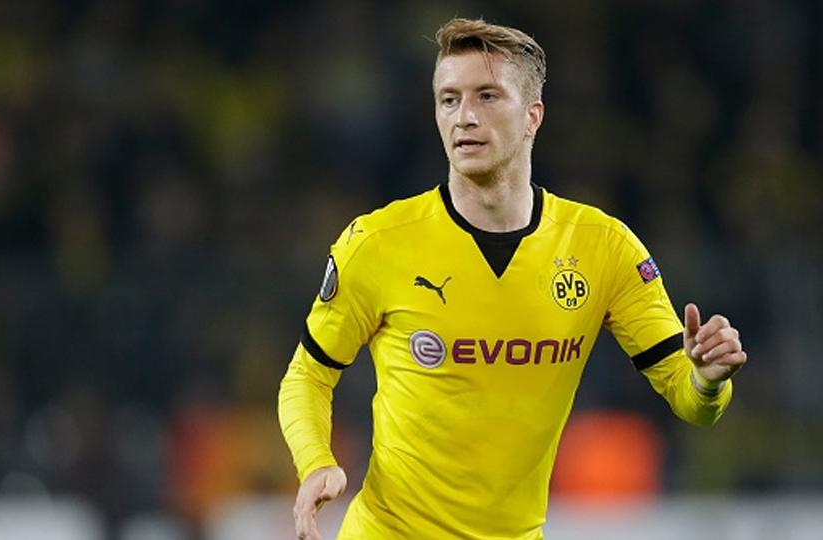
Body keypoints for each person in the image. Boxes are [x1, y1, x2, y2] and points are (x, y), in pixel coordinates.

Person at [278, 17, 746, 540]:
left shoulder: (603, 248)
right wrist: (315, 462)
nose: (465, 116)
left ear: (532, 116)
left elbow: (692, 400)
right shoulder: (377, 243)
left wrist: (708, 380)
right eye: (449, 100)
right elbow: (307, 376)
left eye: (487, 96)